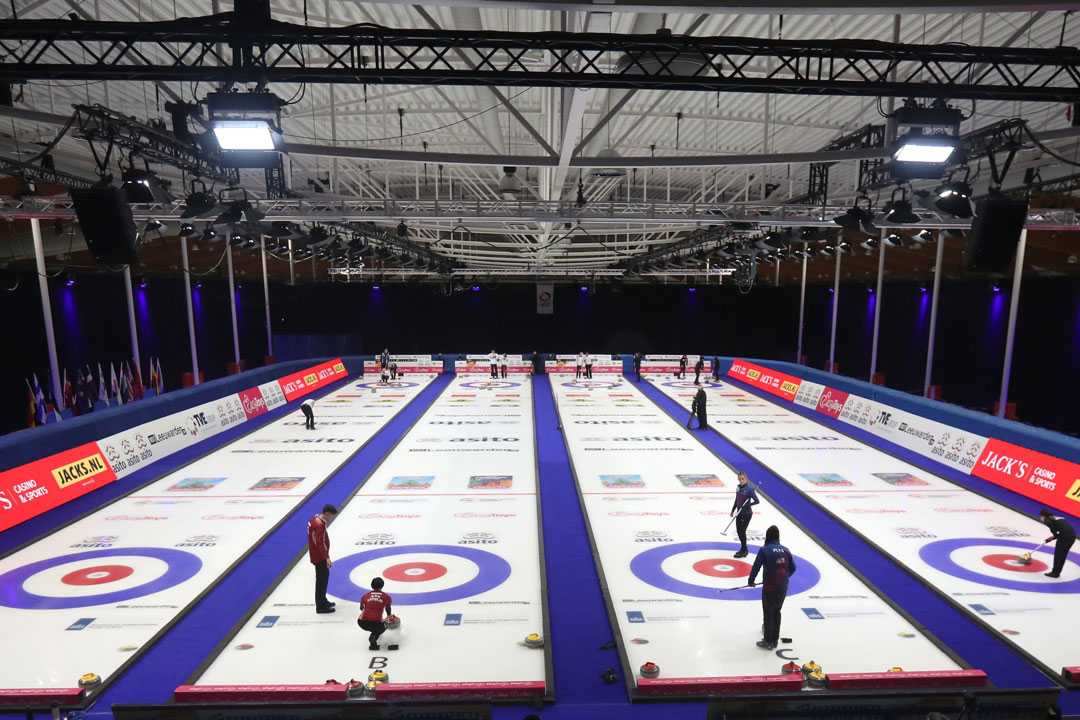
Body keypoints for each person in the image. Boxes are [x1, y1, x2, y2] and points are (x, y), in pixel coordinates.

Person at [748, 525, 796, 650]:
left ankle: (768, 641)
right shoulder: (786, 550)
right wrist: (785, 576)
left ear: (767, 536)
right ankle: (774, 640)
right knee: (777, 611)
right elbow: (793, 568)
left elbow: (756, 566)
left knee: (768, 612)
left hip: (770, 586)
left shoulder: (764, 550)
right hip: (783, 586)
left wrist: (751, 580)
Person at [307, 504, 339, 614]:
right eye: (331, 516)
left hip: (317, 554)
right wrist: (326, 557)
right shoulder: (319, 525)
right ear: (327, 513)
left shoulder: (316, 518)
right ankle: (320, 606)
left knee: (323, 579)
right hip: (320, 556)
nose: (331, 518)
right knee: (321, 580)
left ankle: (323, 600)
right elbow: (320, 543)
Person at [358, 576, 393, 650]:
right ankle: (373, 636)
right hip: (376, 623)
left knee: (373, 623)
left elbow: (361, 608)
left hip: (362, 622)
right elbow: (388, 609)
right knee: (385, 624)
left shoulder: (365, 596)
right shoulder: (386, 597)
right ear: (382, 586)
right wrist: (389, 617)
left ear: (372, 585)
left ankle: (374, 633)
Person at [1039, 508, 1076, 578]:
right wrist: (1052, 538)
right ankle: (1057, 572)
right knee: (1063, 555)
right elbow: (1060, 531)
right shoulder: (1057, 518)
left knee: (1058, 555)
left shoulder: (1049, 522)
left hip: (1064, 538)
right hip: (1072, 537)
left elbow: (1057, 533)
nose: (1041, 518)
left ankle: (1055, 573)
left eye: (1041, 516)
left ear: (1044, 516)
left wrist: (1052, 538)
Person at [731, 472, 760, 557]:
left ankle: (743, 550)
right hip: (739, 512)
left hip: (747, 513)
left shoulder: (750, 489)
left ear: (746, 479)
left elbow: (757, 501)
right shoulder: (738, 488)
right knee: (739, 531)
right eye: (739, 479)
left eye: (742, 479)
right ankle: (744, 549)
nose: (741, 480)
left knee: (742, 531)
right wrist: (733, 510)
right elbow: (737, 500)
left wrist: (748, 504)